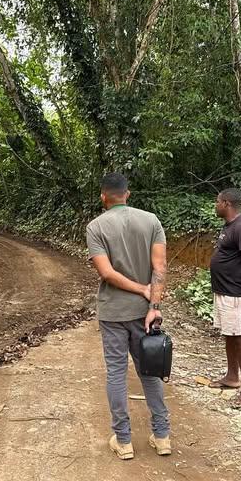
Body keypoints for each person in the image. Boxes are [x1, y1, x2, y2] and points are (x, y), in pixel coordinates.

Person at [85, 172, 170, 462]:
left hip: (113, 312)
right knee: (150, 371)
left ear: (103, 197)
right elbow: (160, 266)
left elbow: (107, 273)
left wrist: (139, 289)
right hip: (144, 314)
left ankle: (123, 441)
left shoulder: (96, 227)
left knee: (117, 374)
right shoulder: (151, 221)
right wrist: (153, 302)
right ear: (127, 194)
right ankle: (162, 436)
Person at [206, 187, 241, 407]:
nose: (215, 205)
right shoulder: (229, 227)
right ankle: (232, 377)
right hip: (225, 291)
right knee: (229, 334)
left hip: (238, 293)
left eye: (217, 201)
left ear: (227, 204)